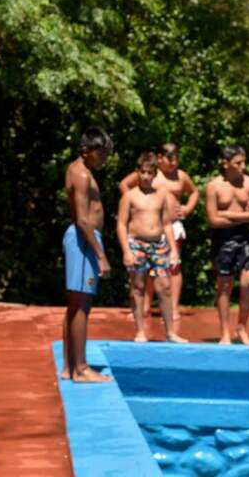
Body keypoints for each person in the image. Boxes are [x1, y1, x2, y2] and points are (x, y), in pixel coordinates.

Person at [120, 142, 198, 320]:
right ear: (160, 158)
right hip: (151, 226)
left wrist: (187, 208)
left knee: (174, 266)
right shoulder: (151, 172)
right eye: (169, 157)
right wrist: (136, 202)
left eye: (176, 157)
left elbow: (194, 192)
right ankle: (145, 306)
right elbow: (124, 184)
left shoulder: (182, 176)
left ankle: (173, 308)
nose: (173, 162)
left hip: (173, 225)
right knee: (146, 269)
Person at [61, 126, 114, 382]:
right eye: (101, 153)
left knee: (76, 304)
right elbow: (83, 220)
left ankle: (70, 366)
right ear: (85, 150)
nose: (104, 158)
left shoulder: (82, 171)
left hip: (84, 241)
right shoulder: (80, 174)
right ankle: (80, 369)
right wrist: (101, 254)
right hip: (84, 241)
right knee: (81, 304)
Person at [117, 152, 186, 343]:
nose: (146, 176)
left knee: (163, 287)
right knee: (138, 286)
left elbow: (166, 224)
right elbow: (121, 224)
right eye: (142, 172)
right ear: (137, 173)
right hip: (136, 243)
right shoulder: (129, 196)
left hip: (158, 244)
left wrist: (173, 250)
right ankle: (140, 331)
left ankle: (170, 332)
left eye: (149, 173)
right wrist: (126, 250)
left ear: (155, 174)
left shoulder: (161, 196)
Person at [205, 145, 249, 345]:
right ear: (225, 163)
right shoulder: (213, 187)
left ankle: (242, 328)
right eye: (238, 163)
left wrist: (229, 215)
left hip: (245, 236)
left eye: (244, 162)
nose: (243, 166)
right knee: (224, 284)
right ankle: (224, 332)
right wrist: (245, 216)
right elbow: (213, 220)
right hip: (223, 238)